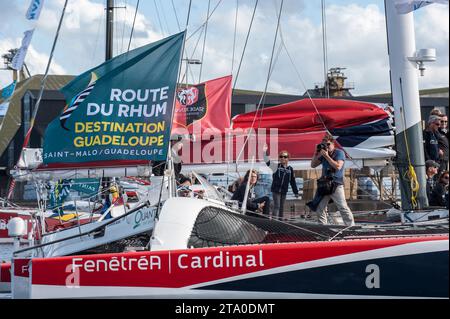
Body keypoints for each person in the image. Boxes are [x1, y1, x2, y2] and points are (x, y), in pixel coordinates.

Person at [308, 134, 355, 226]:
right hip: (324, 184)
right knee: (320, 207)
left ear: (333, 144)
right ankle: (323, 227)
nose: (326, 146)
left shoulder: (339, 152)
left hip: (335, 184)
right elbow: (313, 165)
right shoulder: (323, 154)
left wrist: (327, 157)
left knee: (342, 207)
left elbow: (338, 166)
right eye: (324, 144)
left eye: (328, 144)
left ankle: (350, 226)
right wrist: (316, 153)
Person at [263, 145, 299, 219]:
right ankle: (274, 221)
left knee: (281, 207)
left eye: (285, 157)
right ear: (279, 158)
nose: (283, 158)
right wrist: (264, 152)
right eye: (281, 156)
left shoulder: (290, 169)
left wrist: (295, 192)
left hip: (284, 191)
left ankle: (281, 221)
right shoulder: (276, 167)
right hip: (276, 190)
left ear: (288, 158)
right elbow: (267, 162)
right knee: (277, 206)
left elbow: (292, 181)